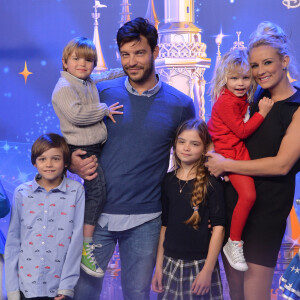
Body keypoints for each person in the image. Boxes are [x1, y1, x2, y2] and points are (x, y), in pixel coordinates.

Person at [71, 17, 195, 300]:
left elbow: (192, 157)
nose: (132, 61)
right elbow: (72, 141)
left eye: (139, 52)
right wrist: (73, 163)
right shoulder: (102, 94)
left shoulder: (181, 104)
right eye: (125, 54)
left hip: (146, 220)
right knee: (83, 292)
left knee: (137, 293)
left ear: (156, 52)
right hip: (97, 216)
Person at [205, 21, 300, 300]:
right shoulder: (254, 96)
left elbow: (281, 165)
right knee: (235, 293)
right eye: (254, 66)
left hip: (266, 212)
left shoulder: (295, 108)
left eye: (267, 63)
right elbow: (223, 130)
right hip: (232, 205)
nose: (259, 72)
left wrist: (225, 164)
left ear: (284, 61)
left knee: (254, 295)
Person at [52, 37, 124, 278]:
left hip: (95, 144)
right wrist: (104, 109)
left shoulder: (85, 81)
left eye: (89, 60)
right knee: (97, 192)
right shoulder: (64, 87)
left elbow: (103, 77)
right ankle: (85, 246)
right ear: (65, 62)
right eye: (76, 59)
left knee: (101, 189)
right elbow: (77, 115)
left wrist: (124, 69)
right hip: (83, 148)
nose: (83, 64)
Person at [207, 48, 273, 272]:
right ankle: (233, 242)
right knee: (248, 195)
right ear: (224, 78)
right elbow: (242, 131)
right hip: (231, 154)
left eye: (245, 77)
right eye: (234, 78)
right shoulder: (226, 102)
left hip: (235, 151)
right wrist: (262, 113)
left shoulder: (241, 98)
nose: (240, 83)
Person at [5, 134, 85, 300]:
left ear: (66, 163)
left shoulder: (76, 191)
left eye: (55, 158)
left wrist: (66, 286)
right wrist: (12, 290)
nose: (49, 164)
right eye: (42, 159)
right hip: (26, 287)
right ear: (35, 162)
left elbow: (76, 240)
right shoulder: (22, 192)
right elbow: (13, 242)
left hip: (57, 288)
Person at [151, 119, 225, 300]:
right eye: (181, 142)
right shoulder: (168, 181)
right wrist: (158, 267)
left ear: (205, 148)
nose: (186, 148)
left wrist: (208, 270)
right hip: (169, 263)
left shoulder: (212, 182)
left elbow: (219, 228)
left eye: (194, 144)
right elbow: (164, 226)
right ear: (175, 143)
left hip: (200, 265)